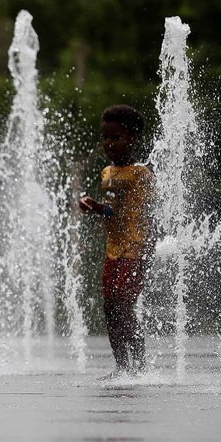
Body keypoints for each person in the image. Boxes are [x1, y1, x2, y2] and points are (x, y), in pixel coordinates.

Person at [78, 104, 153, 376]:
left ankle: (141, 368)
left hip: (134, 250)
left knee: (124, 305)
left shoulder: (141, 174)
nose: (109, 144)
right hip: (113, 251)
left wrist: (96, 208)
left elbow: (124, 213)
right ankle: (122, 367)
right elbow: (110, 213)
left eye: (116, 137)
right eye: (106, 137)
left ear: (132, 138)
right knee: (110, 308)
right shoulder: (107, 174)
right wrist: (95, 210)